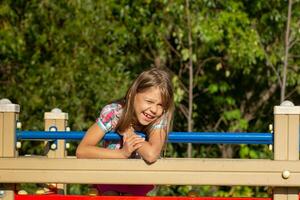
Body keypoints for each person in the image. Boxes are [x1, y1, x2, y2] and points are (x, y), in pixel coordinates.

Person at [76, 68, 174, 196]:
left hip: (137, 182)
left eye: (161, 105)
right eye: (149, 101)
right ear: (132, 95)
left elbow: (151, 154)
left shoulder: (159, 118)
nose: (154, 109)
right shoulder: (115, 113)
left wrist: (129, 133)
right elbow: (82, 150)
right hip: (110, 178)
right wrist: (122, 154)